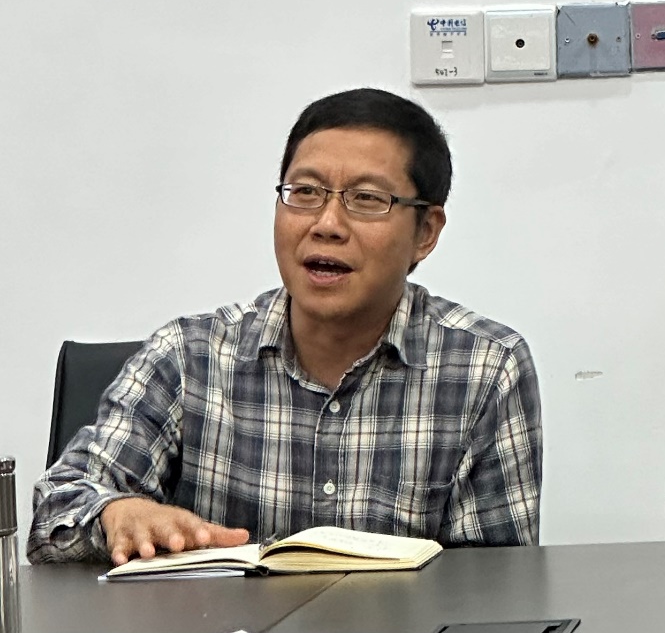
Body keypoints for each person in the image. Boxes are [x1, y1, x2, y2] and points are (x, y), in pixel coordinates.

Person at [29, 88, 542, 564]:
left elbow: (496, 585)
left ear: (426, 232)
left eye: (367, 199)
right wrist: (116, 513)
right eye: (306, 192)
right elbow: (56, 512)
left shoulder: (484, 369)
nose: (327, 224)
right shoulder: (188, 357)